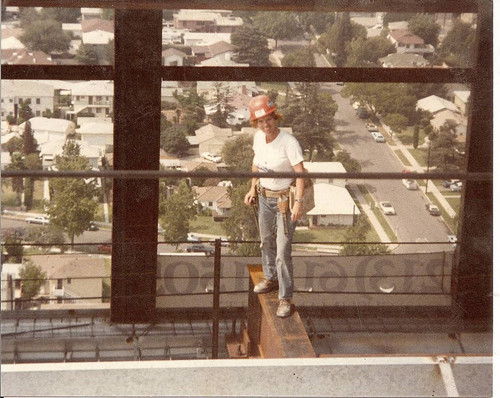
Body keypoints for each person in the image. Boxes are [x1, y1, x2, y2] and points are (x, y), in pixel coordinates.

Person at [244, 95, 306, 318]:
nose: (265, 125)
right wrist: (252, 188)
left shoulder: (289, 142)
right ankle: (270, 278)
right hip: (264, 197)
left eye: (268, 119)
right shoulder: (258, 139)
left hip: (284, 202)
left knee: (282, 251)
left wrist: (298, 202)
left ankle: (285, 297)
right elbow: (256, 164)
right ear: (256, 124)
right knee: (266, 242)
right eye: (260, 121)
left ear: (275, 117)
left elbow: (300, 175)